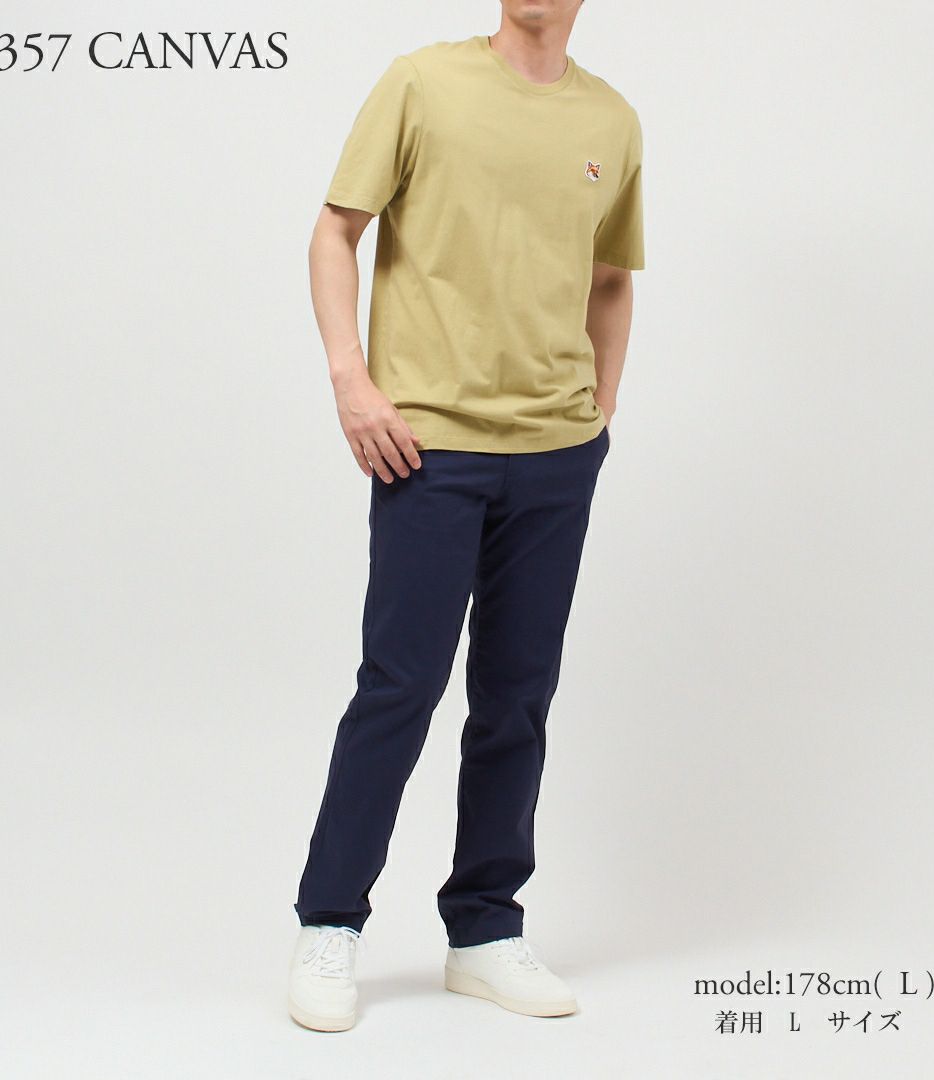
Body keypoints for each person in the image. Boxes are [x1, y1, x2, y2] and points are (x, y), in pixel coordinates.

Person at [288, 0, 644, 1032]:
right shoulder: (423, 83)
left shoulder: (612, 120)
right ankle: (330, 922)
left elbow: (610, 280)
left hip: (555, 456)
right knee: (400, 687)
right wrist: (352, 381)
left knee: (517, 697)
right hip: (428, 446)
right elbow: (335, 231)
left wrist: (598, 415)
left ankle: (485, 929)